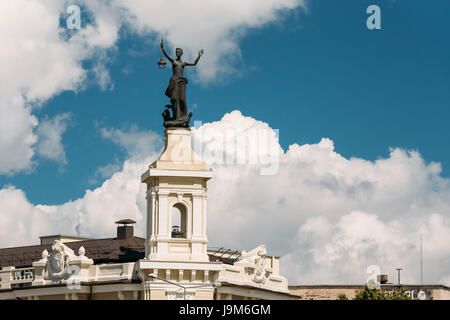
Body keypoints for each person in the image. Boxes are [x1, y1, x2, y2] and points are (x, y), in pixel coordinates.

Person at [160, 39, 204, 127]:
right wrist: (162, 49)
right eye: (176, 52)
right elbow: (167, 56)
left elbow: (194, 63)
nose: (177, 53)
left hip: (181, 82)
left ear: (181, 53)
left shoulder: (183, 62)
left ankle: (183, 118)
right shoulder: (174, 61)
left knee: (182, 100)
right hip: (174, 81)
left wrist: (199, 56)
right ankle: (176, 117)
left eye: (179, 52)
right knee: (175, 99)